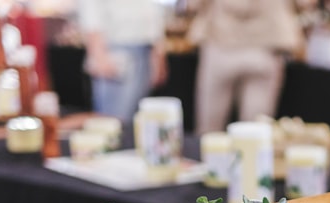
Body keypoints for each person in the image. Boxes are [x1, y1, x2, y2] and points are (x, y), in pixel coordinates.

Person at [188, 0, 306, 134]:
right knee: (254, 133)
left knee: (209, 133)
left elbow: (193, 4)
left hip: (221, 42)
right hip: (265, 46)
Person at [77, 0, 169, 121]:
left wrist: (157, 54)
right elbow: (91, 8)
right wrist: (99, 55)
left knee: (137, 120)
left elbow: (151, 10)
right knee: (113, 119)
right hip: (117, 49)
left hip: (145, 49)